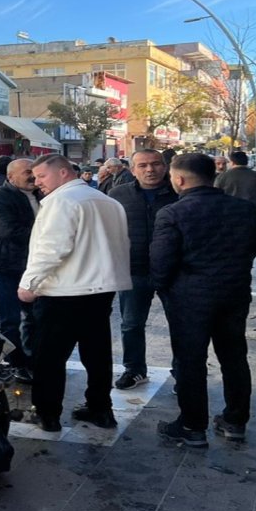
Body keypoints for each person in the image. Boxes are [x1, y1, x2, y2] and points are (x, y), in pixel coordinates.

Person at [151, 153, 256, 447]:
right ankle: (235, 420)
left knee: (190, 361)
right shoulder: (246, 210)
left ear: (178, 179)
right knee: (234, 357)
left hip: (189, 298)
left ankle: (192, 426)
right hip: (234, 293)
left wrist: (163, 289)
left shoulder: (172, 213)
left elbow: (161, 262)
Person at [18, 155, 131, 433]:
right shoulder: (108, 201)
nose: (37, 182)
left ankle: (47, 414)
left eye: (42, 176)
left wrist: (29, 284)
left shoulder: (62, 202)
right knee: (97, 355)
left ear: (64, 173)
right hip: (100, 291)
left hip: (63, 292)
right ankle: (100, 409)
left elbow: (52, 248)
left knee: (49, 358)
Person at [106, 150, 178, 390]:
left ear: (165, 167)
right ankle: (135, 370)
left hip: (175, 272)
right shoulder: (117, 194)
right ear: (133, 169)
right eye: (143, 165)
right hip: (134, 269)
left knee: (181, 324)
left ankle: (183, 372)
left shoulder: (179, 193)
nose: (150, 169)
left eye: (156, 164)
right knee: (131, 324)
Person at [0, 159, 40, 382]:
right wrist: (51, 235)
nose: (33, 176)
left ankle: (33, 360)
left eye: (35, 171)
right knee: (10, 320)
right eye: (27, 172)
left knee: (35, 318)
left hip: (31, 268)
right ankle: (15, 365)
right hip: (3, 267)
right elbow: (9, 231)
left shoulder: (41, 195)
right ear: (11, 177)